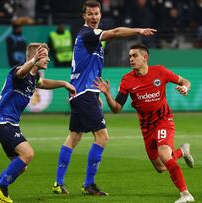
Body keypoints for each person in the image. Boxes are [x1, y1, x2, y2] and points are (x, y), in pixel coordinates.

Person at [51, 0, 157, 196]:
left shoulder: (89, 38)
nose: (93, 17)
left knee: (74, 137)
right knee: (102, 137)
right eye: (89, 14)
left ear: (100, 15)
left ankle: (58, 182)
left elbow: (86, 68)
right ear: (83, 16)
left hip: (80, 92)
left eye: (96, 14)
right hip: (84, 94)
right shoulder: (89, 34)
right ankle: (89, 184)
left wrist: (95, 93)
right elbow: (116, 33)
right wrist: (139, 30)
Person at [94, 43, 195, 203]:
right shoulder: (127, 80)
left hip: (163, 120)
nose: (131, 59)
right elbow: (117, 108)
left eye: (134, 56)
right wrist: (107, 94)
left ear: (145, 57)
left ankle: (185, 194)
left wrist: (185, 88)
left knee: (164, 154)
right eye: (130, 56)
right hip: (146, 127)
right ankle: (182, 151)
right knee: (161, 167)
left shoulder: (160, 72)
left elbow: (185, 81)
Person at [0, 43, 76, 203]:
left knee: (21, 166)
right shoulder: (19, 72)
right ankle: (1, 188)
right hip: (2, 123)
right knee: (28, 154)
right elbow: (21, 72)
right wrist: (33, 60)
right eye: (44, 55)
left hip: (7, 125)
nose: (48, 59)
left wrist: (64, 84)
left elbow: (43, 83)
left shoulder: (34, 78)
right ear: (35, 56)